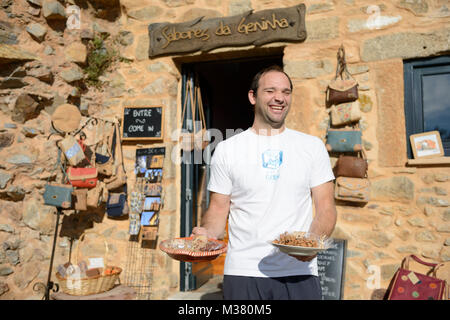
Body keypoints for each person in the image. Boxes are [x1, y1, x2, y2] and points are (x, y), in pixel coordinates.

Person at [191, 65, 337, 300]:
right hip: (243, 272)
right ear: (253, 96)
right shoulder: (228, 150)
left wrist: (310, 245)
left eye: (286, 92)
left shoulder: (312, 147)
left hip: (299, 271)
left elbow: (326, 207)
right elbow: (218, 208)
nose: (279, 98)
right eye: (270, 91)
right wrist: (207, 235)